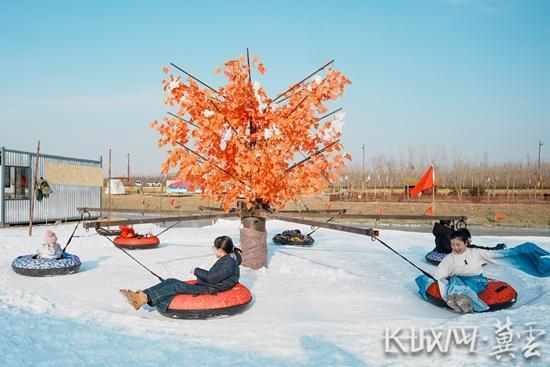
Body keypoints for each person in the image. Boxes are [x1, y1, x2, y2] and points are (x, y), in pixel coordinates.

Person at [120, 236, 242, 311]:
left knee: (177, 286)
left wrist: (196, 270)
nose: (213, 249)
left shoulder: (229, 263)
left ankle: (141, 299)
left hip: (209, 288)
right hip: (207, 285)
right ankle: (141, 295)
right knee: (170, 281)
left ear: (220, 250)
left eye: (214, 247)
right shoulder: (228, 259)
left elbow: (212, 278)